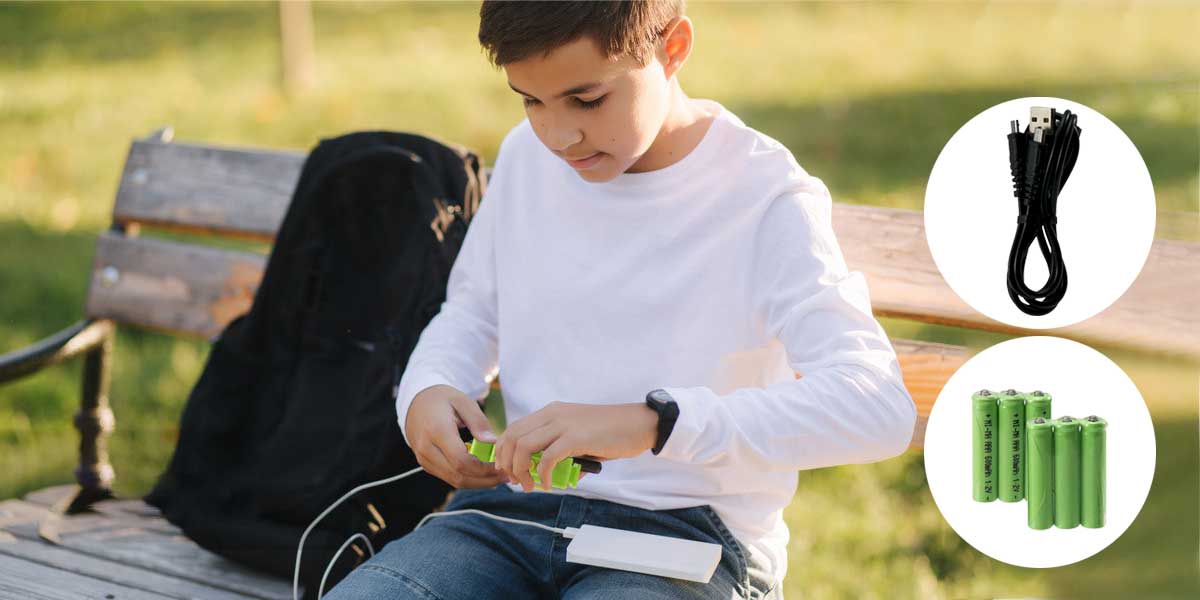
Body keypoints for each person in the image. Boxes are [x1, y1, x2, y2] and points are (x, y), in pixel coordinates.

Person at [325, 2, 915, 598]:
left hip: (686, 541)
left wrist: (654, 423)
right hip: (511, 516)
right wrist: (428, 388)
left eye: (587, 100)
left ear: (674, 47)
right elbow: (473, 312)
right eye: (530, 100)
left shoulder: (764, 196)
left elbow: (875, 404)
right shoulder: (529, 160)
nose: (559, 135)